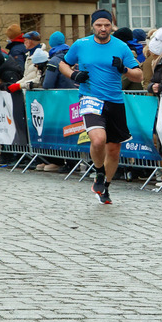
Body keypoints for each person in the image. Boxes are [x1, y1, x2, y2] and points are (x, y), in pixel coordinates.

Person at [58, 10, 141, 204]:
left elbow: (139, 76)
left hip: (115, 102)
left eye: (106, 25)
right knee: (97, 141)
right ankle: (99, 171)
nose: (103, 29)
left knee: (113, 149)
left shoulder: (121, 47)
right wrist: (74, 75)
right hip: (90, 99)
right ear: (93, 26)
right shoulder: (81, 44)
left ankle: (105, 188)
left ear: (112, 26)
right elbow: (62, 64)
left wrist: (124, 69)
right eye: (99, 25)